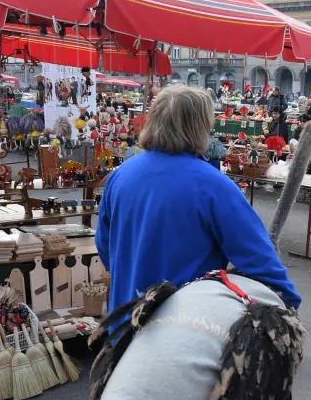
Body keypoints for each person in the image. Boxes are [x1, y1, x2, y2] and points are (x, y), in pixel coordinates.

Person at [96, 86, 300, 312]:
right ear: (200, 127)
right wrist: (288, 301)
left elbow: (105, 247)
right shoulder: (213, 186)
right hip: (183, 329)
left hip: (123, 325)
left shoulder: (120, 175)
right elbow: (260, 263)